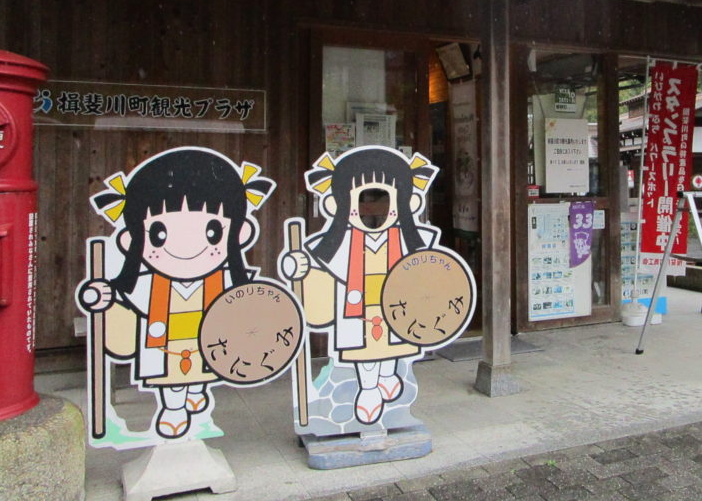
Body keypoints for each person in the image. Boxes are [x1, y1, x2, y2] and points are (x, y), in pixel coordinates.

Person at [77, 147, 274, 439]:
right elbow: (126, 312)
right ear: (131, 239)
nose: (186, 248)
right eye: (159, 234)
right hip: (165, 342)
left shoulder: (224, 281)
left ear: (239, 233)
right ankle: (173, 408)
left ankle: (196, 390)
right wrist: (104, 299)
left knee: (204, 368)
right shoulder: (148, 283)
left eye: (212, 231)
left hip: (212, 342)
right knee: (170, 377)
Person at [280, 147, 442, 425]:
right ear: (339, 204)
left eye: (383, 199)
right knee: (364, 349)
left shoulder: (410, 240)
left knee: (394, 341)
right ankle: (368, 389)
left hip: (397, 304)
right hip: (356, 307)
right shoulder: (340, 244)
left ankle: (388, 374)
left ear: (407, 202)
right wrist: (299, 267)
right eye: (363, 200)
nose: (373, 209)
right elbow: (321, 276)